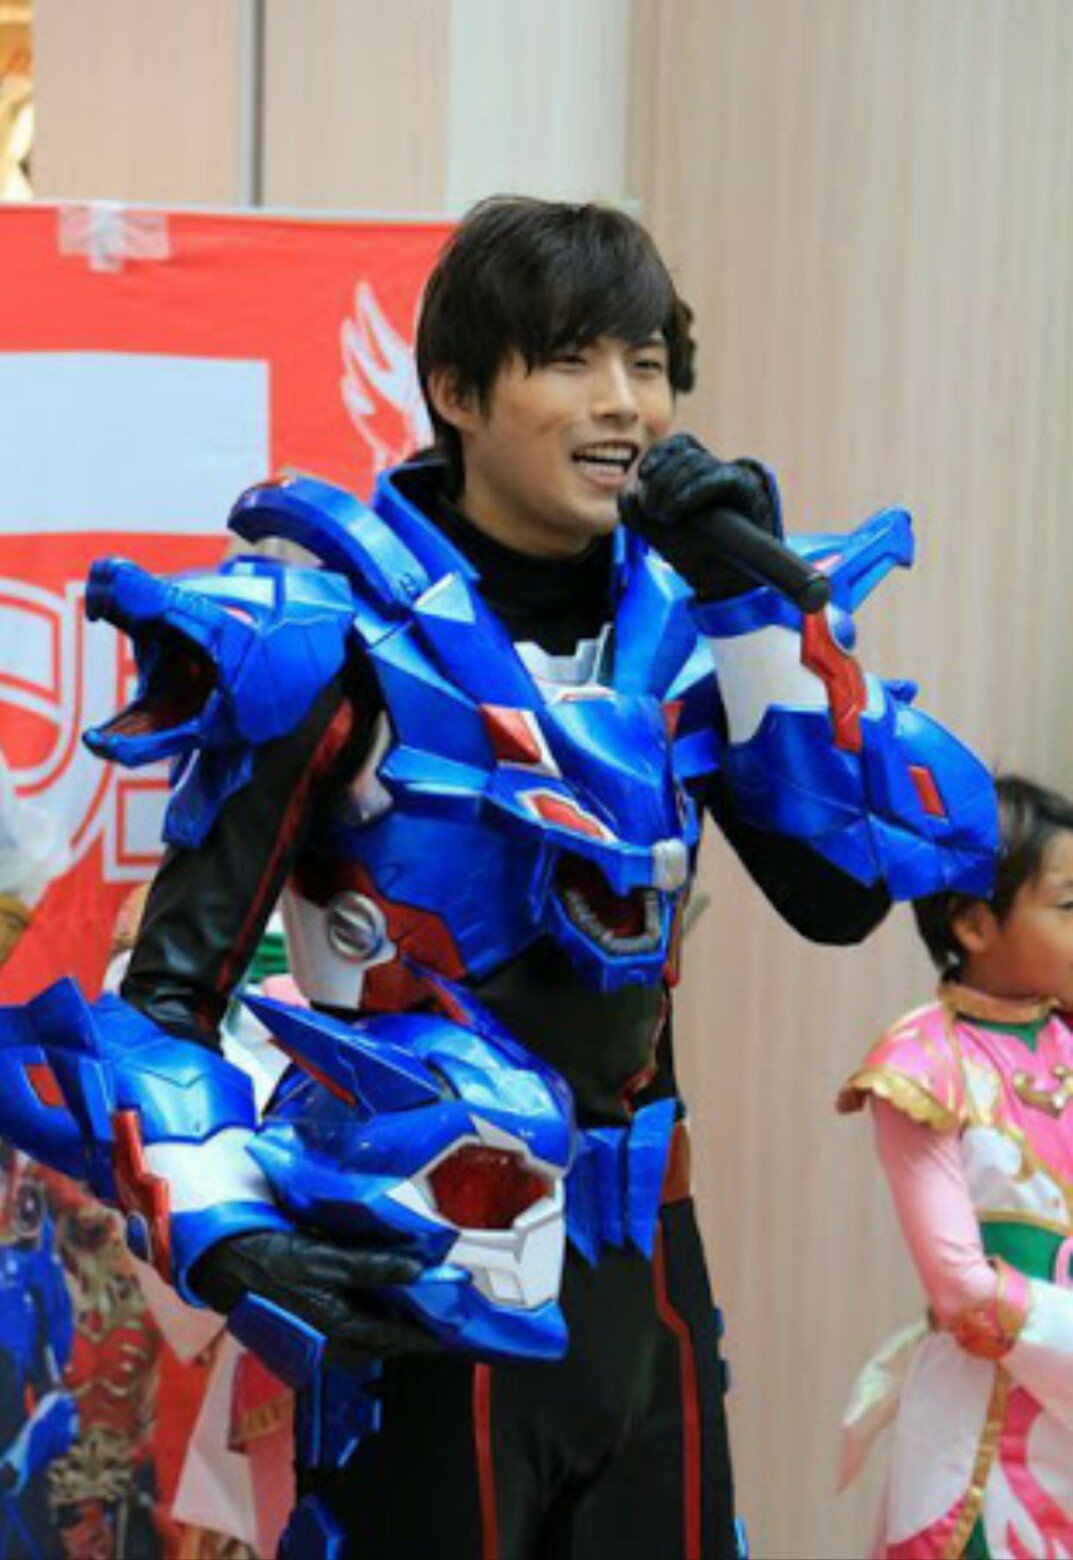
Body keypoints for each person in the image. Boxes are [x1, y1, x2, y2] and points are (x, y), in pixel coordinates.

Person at [0, 196, 996, 1560]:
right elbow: (164, 999)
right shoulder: (328, 637)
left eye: (647, 363)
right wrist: (229, 1233)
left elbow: (837, 901)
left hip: (646, 1281)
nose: (623, 403)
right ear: (457, 392)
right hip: (422, 1281)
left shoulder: (688, 626)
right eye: (571, 360)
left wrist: (760, 619)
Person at [839, 774, 1073, 1557]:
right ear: (974, 923)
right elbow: (961, 1289)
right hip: (983, 1432)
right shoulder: (922, 1062)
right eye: (1068, 906)